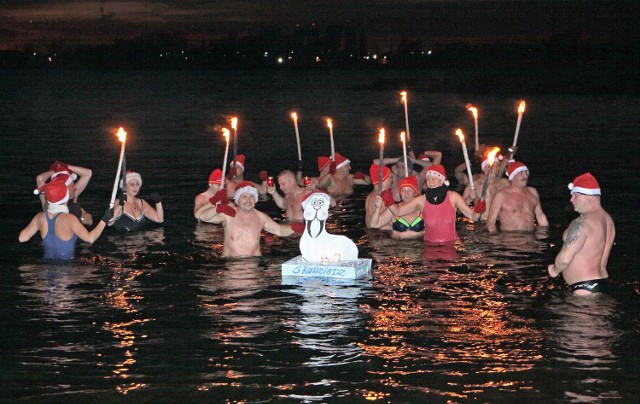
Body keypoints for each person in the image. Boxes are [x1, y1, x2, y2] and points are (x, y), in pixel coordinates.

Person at [548, 173, 615, 294]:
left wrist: (554, 270)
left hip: (584, 288)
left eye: (575, 195)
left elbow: (564, 259)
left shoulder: (582, 222)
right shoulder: (608, 220)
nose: (571, 199)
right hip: (602, 282)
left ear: (589, 196)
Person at [198, 181, 303, 257]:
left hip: (253, 266)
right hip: (230, 265)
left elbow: (280, 230)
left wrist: (294, 227)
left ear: (256, 199)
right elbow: (203, 217)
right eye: (244, 196)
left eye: (251, 197)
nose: (248, 200)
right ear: (237, 199)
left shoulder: (261, 217)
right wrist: (218, 209)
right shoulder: (228, 214)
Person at [19, 178, 113, 260]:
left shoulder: (40, 217)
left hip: (46, 271)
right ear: (66, 196)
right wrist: (104, 219)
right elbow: (90, 238)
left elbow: (22, 238)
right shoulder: (70, 219)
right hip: (66, 274)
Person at [387, 165, 482, 244]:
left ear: (441, 181)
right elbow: (397, 212)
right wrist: (387, 199)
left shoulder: (453, 197)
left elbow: (474, 217)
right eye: (428, 179)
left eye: (433, 179)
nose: (430, 182)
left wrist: (479, 208)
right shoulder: (422, 200)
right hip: (429, 246)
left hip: (449, 245)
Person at [486, 160, 549, 233]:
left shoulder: (533, 192)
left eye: (526, 172)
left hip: (531, 239)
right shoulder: (501, 195)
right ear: (512, 176)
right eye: (521, 173)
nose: (525, 176)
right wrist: (495, 240)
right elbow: (491, 222)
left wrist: (545, 236)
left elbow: (540, 215)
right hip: (511, 239)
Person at [36, 160, 93, 225]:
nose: (75, 187)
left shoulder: (73, 196)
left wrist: (66, 167)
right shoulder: (48, 204)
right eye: (72, 184)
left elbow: (88, 173)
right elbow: (39, 178)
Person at [462, 152, 510, 221]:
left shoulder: (505, 183)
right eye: (493, 165)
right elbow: (459, 210)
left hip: (500, 224)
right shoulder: (474, 185)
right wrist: (469, 198)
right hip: (482, 223)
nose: (495, 168)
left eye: (497, 166)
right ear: (484, 168)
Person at [365, 164, 394, 229]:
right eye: (391, 177)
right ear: (385, 179)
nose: (392, 180)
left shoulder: (370, 196)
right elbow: (389, 222)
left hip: (371, 234)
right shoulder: (382, 197)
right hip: (382, 236)